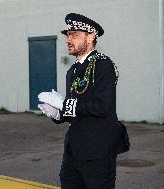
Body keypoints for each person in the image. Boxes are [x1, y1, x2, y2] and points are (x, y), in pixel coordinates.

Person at [38, 13, 124, 189]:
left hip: (97, 151)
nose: (69, 39)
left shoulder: (103, 65)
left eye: (74, 34)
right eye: (68, 35)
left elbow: (102, 106)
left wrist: (64, 105)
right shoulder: (73, 70)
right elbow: (76, 112)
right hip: (73, 151)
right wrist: (57, 114)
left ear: (91, 37)